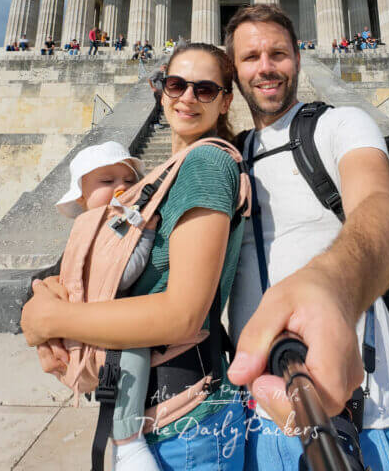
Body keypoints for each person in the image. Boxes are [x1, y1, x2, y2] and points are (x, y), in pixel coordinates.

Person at [24, 43, 247, 470]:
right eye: (177, 84)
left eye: (204, 89)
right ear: (160, 88)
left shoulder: (204, 164)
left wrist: (48, 321)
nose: (186, 97)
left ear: (226, 100)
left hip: (183, 422)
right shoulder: (171, 167)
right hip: (162, 417)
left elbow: (183, 315)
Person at [222, 4, 389, 471]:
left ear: (299, 60)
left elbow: (380, 207)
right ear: (234, 70)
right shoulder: (235, 154)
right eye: (251, 57)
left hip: (353, 405)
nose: (266, 67)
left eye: (278, 54)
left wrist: (334, 282)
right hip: (258, 402)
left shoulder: (338, 125)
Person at [52, 142, 156, 471]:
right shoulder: (109, 224)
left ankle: (123, 442)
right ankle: (128, 442)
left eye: (127, 180)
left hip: (87, 324)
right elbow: (122, 275)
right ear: (82, 197)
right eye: (106, 181)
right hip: (104, 327)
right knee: (132, 355)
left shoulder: (109, 221)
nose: (121, 187)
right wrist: (147, 234)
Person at [149, 64, 167, 129]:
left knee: (159, 107)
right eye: (164, 67)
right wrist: (152, 88)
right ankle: (154, 122)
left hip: (160, 92)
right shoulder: (157, 71)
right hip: (157, 92)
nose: (164, 69)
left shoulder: (162, 73)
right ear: (161, 66)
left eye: (165, 68)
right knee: (158, 106)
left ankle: (156, 122)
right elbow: (149, 79)